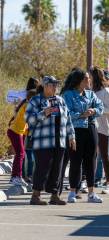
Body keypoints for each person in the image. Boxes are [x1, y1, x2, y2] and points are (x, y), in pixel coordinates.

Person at [25, 76, 76, 205]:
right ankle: (35, 196)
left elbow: (68, 119)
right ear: (45, 86)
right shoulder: (36, 100)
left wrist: (72, 136)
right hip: (43, 142)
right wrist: (43, 113)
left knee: (57, 169)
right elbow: (28, 119)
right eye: (52, 85)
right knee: (42, 168)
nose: (55, 87)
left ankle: (54, 195)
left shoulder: (60, 100)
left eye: (56, 85)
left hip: (60, 141)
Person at [63, 68, 104, 204]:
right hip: (75, 131)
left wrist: (94, 110)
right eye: (86, 78)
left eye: (89, 78)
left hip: (91, 129)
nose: (89, 80)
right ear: (79, 81)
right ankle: (73, 192)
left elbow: (101, 107)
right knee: (75, 161)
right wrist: (81, 114)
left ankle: (91, 193)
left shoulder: (91, 94)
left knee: (91, 161)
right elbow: (66, 113)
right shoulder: (68, 95)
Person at [90, 67, 109, 194]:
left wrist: (97, 109)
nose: (88, 80)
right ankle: (88, 182)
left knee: (105, 155)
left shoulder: (106, 91)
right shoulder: (90, 91)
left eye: (90, 77)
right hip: (92, 126)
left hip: (104, 127)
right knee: (91, 155)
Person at [7, 89, 37, 186]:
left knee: (21, 154)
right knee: (20, 154)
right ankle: (16, 177)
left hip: (18, 132)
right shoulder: (27, 105)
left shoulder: (26, 105)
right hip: (15, 132)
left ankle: (16, 176)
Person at [23, 77, 40, 183]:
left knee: (27, 155)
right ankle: (30, 175)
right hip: (31, 132)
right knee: (31, 155)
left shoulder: (24, 99)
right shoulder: (36, 99)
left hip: (26, 131)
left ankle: (26, 175)